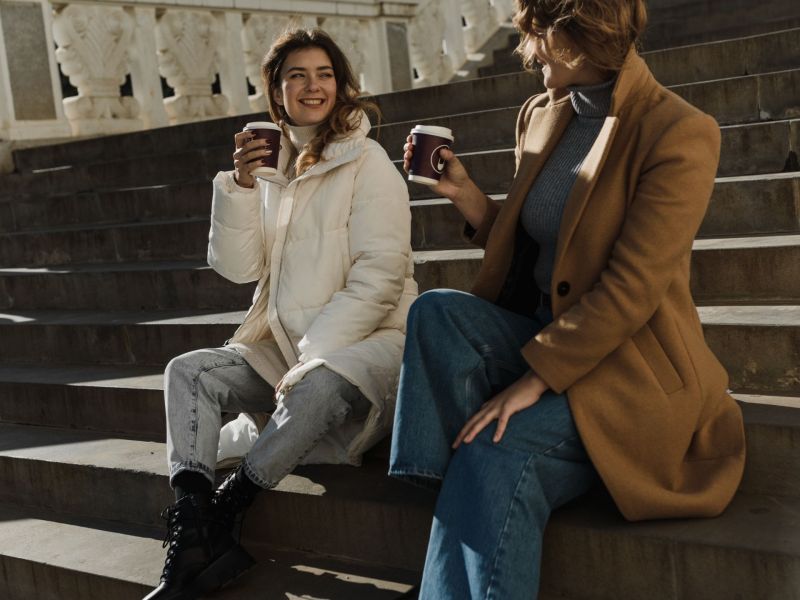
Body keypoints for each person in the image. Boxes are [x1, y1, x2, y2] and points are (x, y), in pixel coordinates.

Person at [389, 0, 746, 598]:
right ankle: (441, 481)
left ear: (584, 33)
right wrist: (469, 197)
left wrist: (533, 378)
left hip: (628, 369)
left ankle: (472, 480)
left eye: (536, 32)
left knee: (492, 450)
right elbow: (544, 243)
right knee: (435, 312)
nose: (524, 47)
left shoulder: (678, 131)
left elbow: (632, 288)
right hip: (546, 331)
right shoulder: (542, 113)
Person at [145, 28, 416, 600]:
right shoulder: (271, 165)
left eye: (323, 74)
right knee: (186, 370)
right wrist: (242, 187)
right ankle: (193, 528)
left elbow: (381, 278)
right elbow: (236, 269)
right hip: (284, 346)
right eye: (297, 75)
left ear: (340, 85)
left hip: (369, 340)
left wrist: (313, 357)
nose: (312, 86)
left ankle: (224, 513)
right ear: (277, 90)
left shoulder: (369, 163)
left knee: (315, 390)